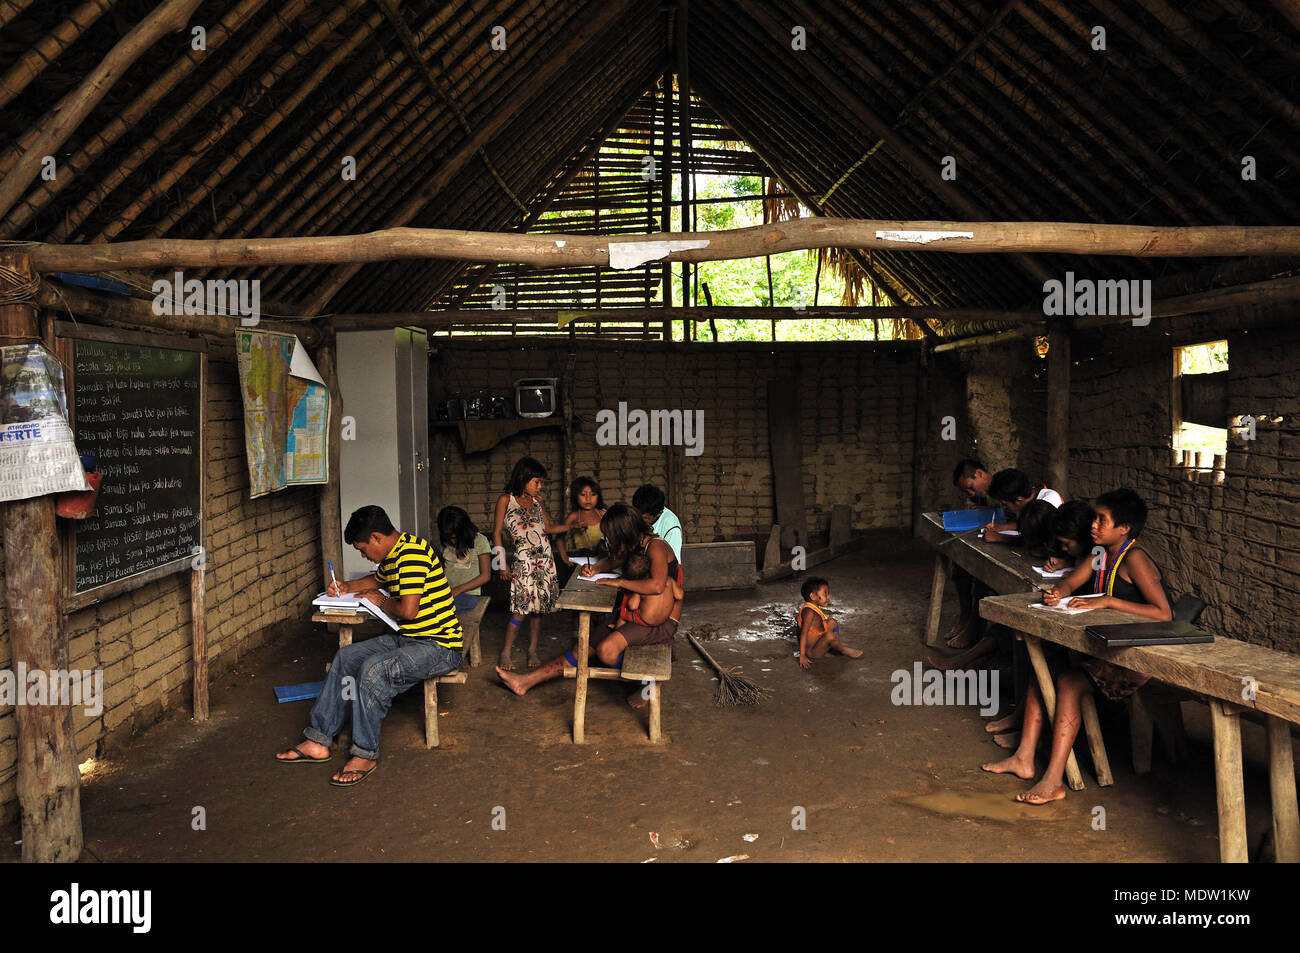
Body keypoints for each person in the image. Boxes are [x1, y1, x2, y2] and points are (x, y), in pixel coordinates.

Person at [982, 489, 1171, 804]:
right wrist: (1058, 591)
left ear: (1124, 529)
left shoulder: (1134, 559)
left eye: (1102, 520)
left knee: (1068, 684)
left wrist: (1107, 600)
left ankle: (1054, 780)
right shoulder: (1099, 553)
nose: (1093, 526)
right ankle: (1024, 757)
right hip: (1103, 649)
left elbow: (1164, 613)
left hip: (1134, 660)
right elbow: (1072, 581)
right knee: (1045, 665)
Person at [275, 506, 463, 786]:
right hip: (410, 639)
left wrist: (381, 601)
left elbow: (408, 611)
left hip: (439, 647)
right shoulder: (397, 551)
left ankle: (365, 753)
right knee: (347, 657)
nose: (364, 555)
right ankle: (318, 740)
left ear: (376, 538)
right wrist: (346, 586)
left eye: (363, 550)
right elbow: (377, 579)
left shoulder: (411, 555)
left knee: (372, 671)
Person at [497, 503, 682, 699]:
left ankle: (647, 680)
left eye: (612, 535)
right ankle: (525, 681)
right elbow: (614, 560)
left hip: (658, 621)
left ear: (623, 533)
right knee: (583, 647)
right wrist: (596, 568)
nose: (610, 539)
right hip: (635, 613)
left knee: (606, 651)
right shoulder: (636, 544)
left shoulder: (656, 548)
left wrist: (619, 582)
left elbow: (657, 586)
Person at [493, 457, 569, 670]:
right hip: (524, 563)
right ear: (524, 478)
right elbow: (497, 533)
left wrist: (573, 525)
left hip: (544, 561)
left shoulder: (537, 503)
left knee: (538, 610)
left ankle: (532, 650)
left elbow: (548, 529)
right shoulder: (506, 501)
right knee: (521, 609)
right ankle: (506, 651)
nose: (540, 486)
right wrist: (502, 564)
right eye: (537, 481)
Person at [796, 576, 862, 669]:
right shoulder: (809, 612)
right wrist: (802, 655)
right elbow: (803, 633)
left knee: (832, 622)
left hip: (817, 639)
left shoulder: (811, 607)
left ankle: (835, 644)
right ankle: (842, 650)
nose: (828, 596)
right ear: (813, 596)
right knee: (830, 636)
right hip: (813, 651)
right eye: (825, 593)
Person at [437, 505, 492, 612]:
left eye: (455, 537)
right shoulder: (445, 542)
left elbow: (486, 576)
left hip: (467, 594)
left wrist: (458, 590)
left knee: (465, 603)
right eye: (449, 538)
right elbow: (444, 567)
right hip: (446, 590)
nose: (452, 541)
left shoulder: (480, 541)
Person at [982, 469, 1063, 542]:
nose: (1004, 507)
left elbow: (1036, 539)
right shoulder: (1025, 500)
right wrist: (1001, 527)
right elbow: (1022, 524)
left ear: (1019, 499)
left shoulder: (1048, 501)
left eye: (1005, 504)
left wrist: (999, 537)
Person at [631, 484, 683, 564]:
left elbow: (674, 567)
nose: (638, 520)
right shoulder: (633, 516)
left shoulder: (672, 527)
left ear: (659, 513)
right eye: (636, 514)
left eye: (645, 518)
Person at [563, 476, 607, 559]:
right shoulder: (573, 517)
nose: (588, 499)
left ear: (598, 496)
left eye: (593, 494)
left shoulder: (603, 514)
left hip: (604, 559)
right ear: (576, 496)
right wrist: (563, 555)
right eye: (583, 494)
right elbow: (559, 537)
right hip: (582, 559)